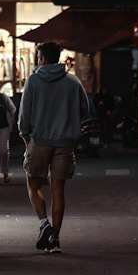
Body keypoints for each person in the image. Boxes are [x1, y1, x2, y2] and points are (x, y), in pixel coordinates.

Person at [17, 42, 88, 254]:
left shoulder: (33, 81)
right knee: (59, 191)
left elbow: (24, 116)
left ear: (42, 59)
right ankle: (55, 239)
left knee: (33, 184)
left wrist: (25, 135)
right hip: (65, 143)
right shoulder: (73, 82)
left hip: (38, 141)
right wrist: (67, 120)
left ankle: (44, 223)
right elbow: (84, 109)